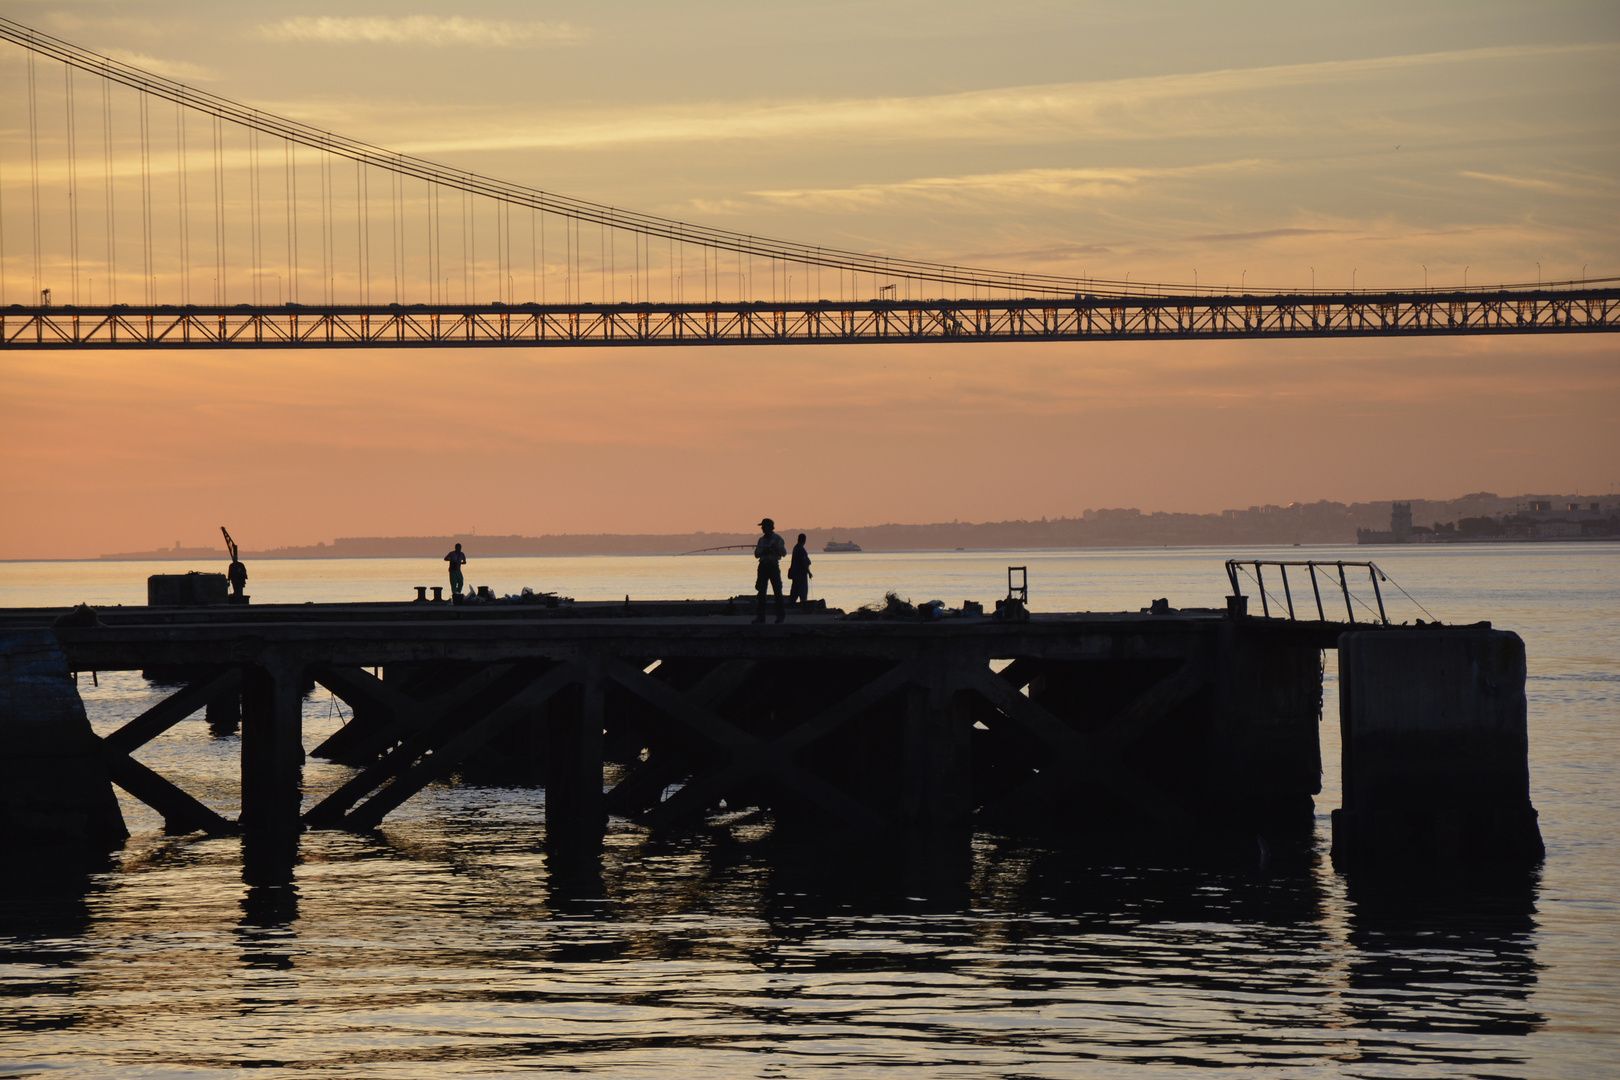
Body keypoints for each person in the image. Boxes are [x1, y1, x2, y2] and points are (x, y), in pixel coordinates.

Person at [753, 518, 787, 624]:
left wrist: (775, 548)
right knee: (761, 593)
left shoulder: (778, 539)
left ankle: (780, 617)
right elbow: (756, 554)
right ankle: (761, 618)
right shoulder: (761, 540)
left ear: (769, 527)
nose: (762, 528)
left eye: (764, 526)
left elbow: (784, 553)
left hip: (773, 567)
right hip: (763, 566)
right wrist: (764, 550)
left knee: (777, 592)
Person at [787, 533, 812, 605]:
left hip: (795, 574)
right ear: (804, 540)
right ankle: (803, 606)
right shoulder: (801, 550)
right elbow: (804, 563)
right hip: (801, 574)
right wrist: (809, 572)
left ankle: (792, 604)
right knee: (802, 591)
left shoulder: (796, 548)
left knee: (795, 591)